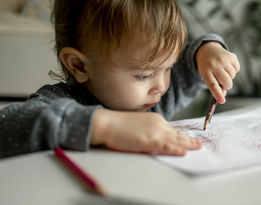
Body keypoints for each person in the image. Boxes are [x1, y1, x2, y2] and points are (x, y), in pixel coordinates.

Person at [0, 0, 240, 159]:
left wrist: (208, 48)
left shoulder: (154, 100)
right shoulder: (59, 101)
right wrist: (105, 126)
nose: (162, 86)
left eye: (169, 67)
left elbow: (191, 64)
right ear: (79, 65)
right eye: (144, 75)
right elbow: (6, 127)